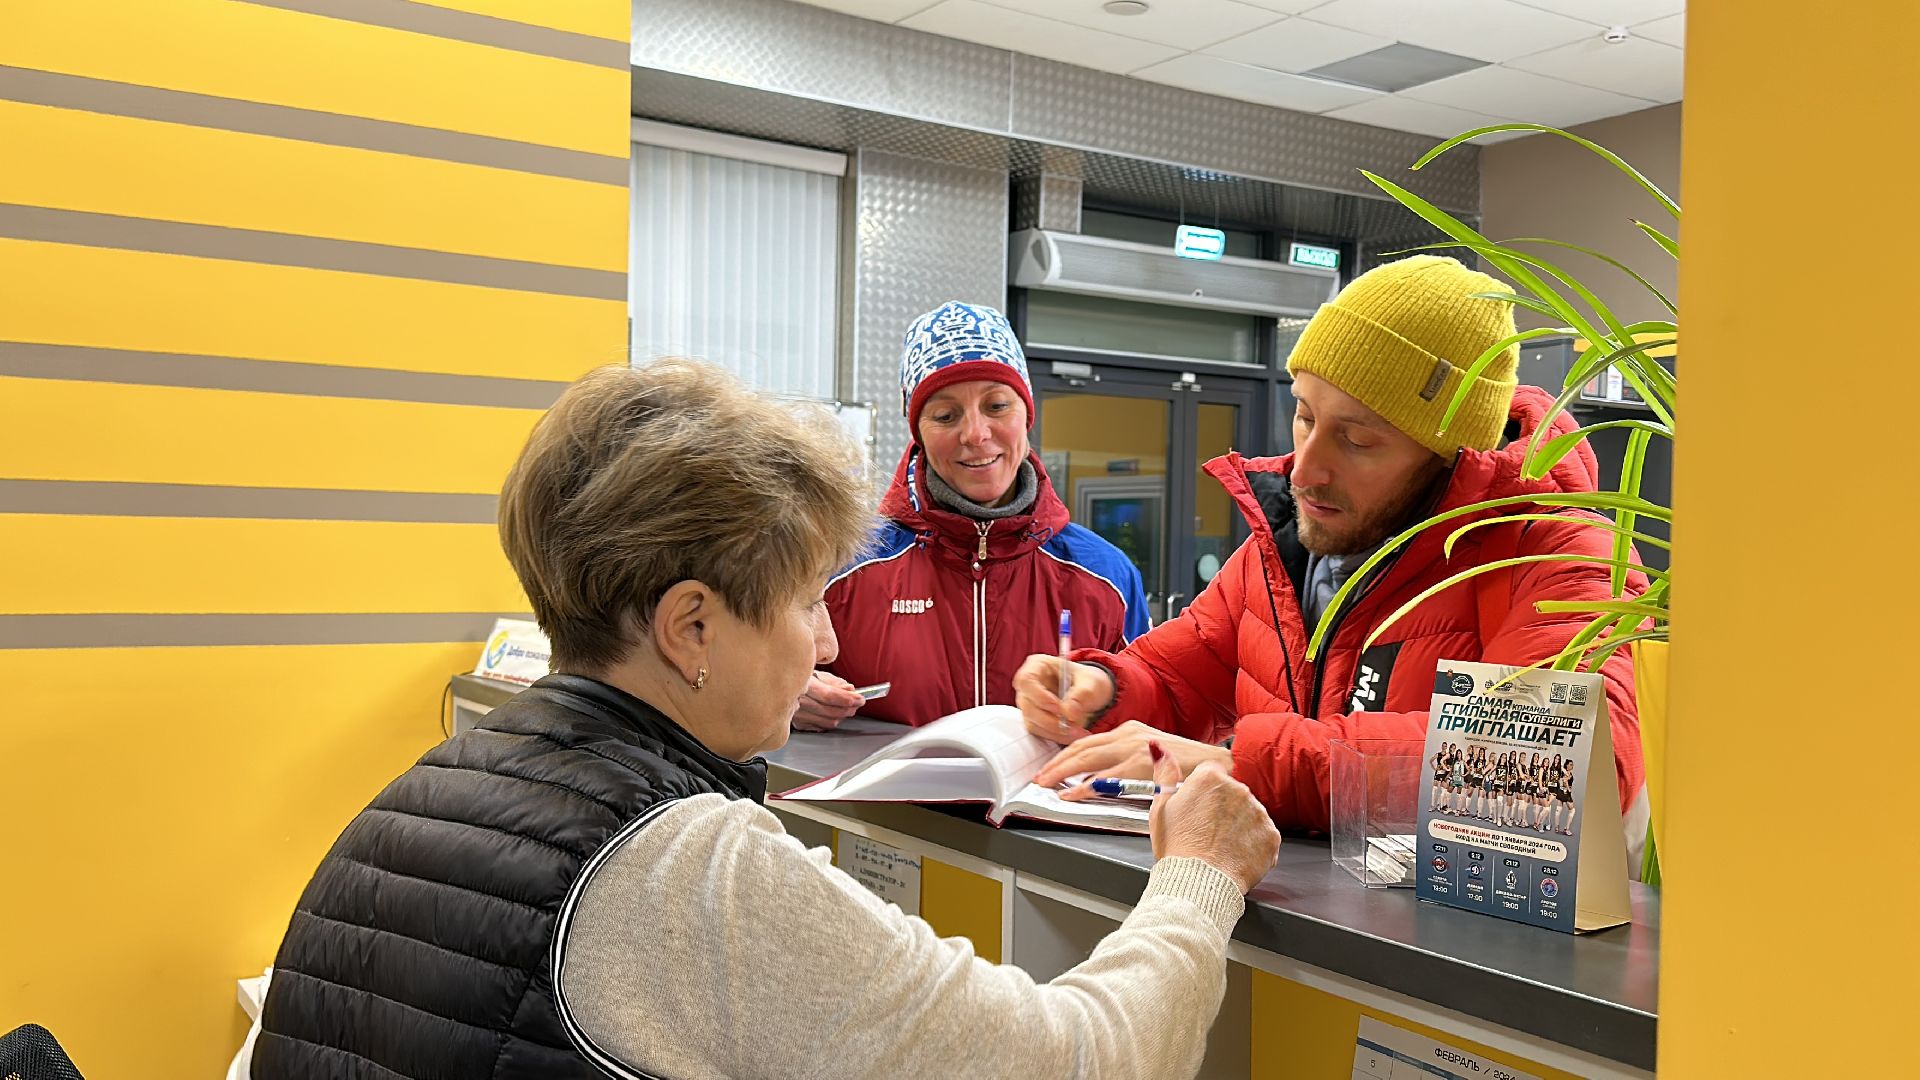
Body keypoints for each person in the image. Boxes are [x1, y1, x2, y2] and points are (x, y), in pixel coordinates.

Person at [251, 359, 1279, 1080]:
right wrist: (1198, 875)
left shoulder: (415, 796)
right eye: (800, 604)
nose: (826, 644)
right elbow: (1081, 1060)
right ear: (691, 628)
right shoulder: (694, 873)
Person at [1010, 256, 1649, 858]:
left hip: (1460, 960)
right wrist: (1104, 690)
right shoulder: (1283, 548)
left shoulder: (1563, 555)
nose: (1307, 469)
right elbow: (1181, 675)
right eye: (1304, 416)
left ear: (1452, 455)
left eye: (1357, 439)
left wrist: (1251, 764)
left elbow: (1569, 768)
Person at [793, 300, 1150, 731]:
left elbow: (1150, 717)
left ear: (1027, 413)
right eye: (946, 415)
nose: (976, 434)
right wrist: (794, 696)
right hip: (877, 802)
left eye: (997, 406)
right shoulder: (843, 564)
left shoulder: (1105, 575)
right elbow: (747, 692)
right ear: (918, 430)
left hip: (1039, 801)